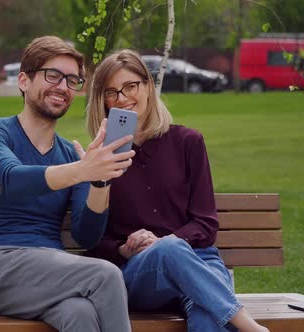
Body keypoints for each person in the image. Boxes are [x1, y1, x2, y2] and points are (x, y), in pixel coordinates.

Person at [0, 36, 135, 332]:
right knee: (105, 275)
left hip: (48, 271)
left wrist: (99, 179)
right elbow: (11, 179)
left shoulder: (70, 155)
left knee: (80, 313)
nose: (63, 87)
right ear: (24, 81)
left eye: (72, 81)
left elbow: (87, 236)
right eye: (53, 75)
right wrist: (82, 170)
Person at [85, 49, 270, 332]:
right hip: (141, 273)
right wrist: (124, 248)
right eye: (112, 92)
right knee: (172, 252)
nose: (122, 98)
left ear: (147, 86)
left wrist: (163, 241)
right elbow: (94, 240)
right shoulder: (101, 157)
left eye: (130, 86)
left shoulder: (188, 142)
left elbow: (206, 224)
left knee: (208, 314)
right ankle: (249, 326)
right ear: (103, 101)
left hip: (199, 259)